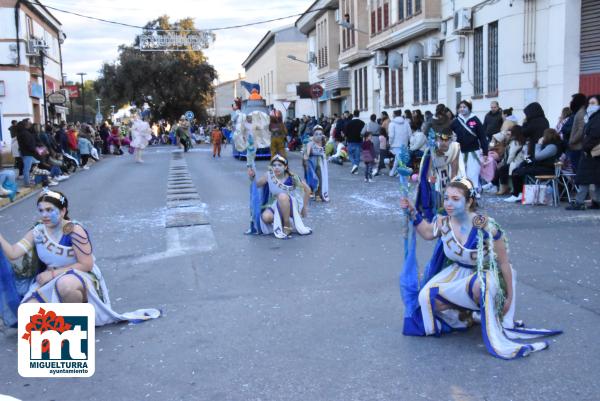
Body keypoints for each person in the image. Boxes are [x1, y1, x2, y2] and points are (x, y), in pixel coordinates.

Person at [400, 178, 561, 359]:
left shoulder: (486, 225)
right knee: (426, 298)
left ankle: (488, 315)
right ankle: (467, 314)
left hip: (487, 274)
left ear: (469, 202)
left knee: (481, 285)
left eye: (455, 198)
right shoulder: (444, 222)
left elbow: (504, 263)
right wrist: (412, 211)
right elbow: (428, 232)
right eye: (446, 198)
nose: (449, 203)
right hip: (457, 274)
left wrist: (509, 296)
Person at [0, 190, 160, 327]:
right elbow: (14, 253)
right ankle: (62, 317)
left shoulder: (74, 230)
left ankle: (74, 322)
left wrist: (53, 275)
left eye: (50, 210)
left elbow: (87, 264)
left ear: (63, 211)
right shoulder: (38, 230)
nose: (44, 215)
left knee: (65, 285)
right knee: (27, 315)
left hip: (78, 276)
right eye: (41, 210)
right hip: (47, 281)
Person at [247, 155, 312, 239]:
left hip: (292, 205)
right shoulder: (268, 175)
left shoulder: (292, 177)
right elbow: (256, 185)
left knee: (282, 196)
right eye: (274, 165)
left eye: (279, 165)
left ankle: (287, 225)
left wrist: (304, 208)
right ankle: (284, 221)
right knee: (266, 217)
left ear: (285, 167)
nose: (276, 167)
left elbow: (307, 189)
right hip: (275, 204)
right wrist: (252, 176)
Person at [506, 128, 563, 203]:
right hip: (541, 167)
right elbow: (533, 158)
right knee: (518, 170)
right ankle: (518, 193)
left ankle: (517, 194)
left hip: (548, 169)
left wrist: (538, 144)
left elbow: (538, 156)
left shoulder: (552, 147)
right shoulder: (547, 145)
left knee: (519, 172)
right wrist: (525, 161)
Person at [566, 94, 600, 210]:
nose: (590, 106)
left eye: (593, 103)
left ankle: (579, 202)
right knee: (596, 179)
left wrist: (585, 147)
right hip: (593, 153)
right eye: (589, 103)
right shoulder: (592, 116)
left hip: (591, 152)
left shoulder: (596, 118)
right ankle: (597, 201)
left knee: (584, 178)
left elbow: (594, 135)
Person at [450, 100, 489, 195]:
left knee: (473, 173)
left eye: (464, 107)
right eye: (460, 107)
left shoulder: (475, 120)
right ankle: (462, 192)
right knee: (461, 173)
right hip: (460, 152)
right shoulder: (455, 121)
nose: (462, 109)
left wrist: (485, 152)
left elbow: (482, 137)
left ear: (469, 108)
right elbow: (448, 133)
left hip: (473, 151)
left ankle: (474, 191)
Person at [495, 125, 526, 196]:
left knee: (503, 169)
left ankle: (503, 188)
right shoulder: (518, 141)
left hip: (516, 163)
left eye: (510, 133)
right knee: (502, 168)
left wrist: (505, 163)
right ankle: (500, 186)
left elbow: (511, 155)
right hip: (518, 162)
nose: (508, 135)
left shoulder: (515, 142)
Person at [304, 126, 329, 201]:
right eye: (316, 134)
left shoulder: (323, 142)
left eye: (320, 134)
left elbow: (325, 152)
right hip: (311, 163)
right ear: (313, 135)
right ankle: (310, 191)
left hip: (320, 163)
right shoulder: (310, 143)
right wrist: (306, 156)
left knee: (320, 178)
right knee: (311, 178)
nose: (318, 136)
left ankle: (318, 194)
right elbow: (306, 154)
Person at [565, 93, 588, 174]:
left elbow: (581, 130)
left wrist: (572, 140)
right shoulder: (580, 112)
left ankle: (578, 187)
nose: (571, 102)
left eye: (572, 100)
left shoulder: (581, 113)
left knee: (577, 172)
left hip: (577, 147)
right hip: (576, 147)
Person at [388, 109, 412, 177]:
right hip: (404, 143)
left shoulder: (392, 123)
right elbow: (410, 133)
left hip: (395, 144)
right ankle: (394, 171)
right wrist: (410, 142)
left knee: (398, 158)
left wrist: (390, 143)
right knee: (399, 157)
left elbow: (391, 135)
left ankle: (398, 171)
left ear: (394, 114)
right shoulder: (406, 122)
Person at [16, 119, 38, 187]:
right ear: (25, 125)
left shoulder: (21, 133)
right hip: (28, 153)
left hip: (26, 152)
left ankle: (29, 180)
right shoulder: (25, 133)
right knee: (26, 169)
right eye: (28, 124)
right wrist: (34, 150)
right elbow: (28, 144)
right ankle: (27, 183)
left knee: (35, 163)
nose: (29, 125)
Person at [344, 110, 365, 174]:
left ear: (353, 114)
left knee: (350, 155)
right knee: (357, 156)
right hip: (359, 141)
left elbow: (346, 133)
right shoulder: (362, 123)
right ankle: (355, 166)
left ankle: (354, 165)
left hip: (350, 141)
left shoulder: (349, 123)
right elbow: (364, 132)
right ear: (359, 114)